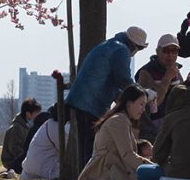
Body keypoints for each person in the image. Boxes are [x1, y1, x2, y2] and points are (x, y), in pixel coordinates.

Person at [62, 27, 147, 166]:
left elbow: (110, 81)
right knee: (91, 143)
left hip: (81, 98)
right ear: (134, 45)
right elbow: (123, 79)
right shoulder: (121, 50)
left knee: (86, 143)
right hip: (92, 102)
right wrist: (140, 94)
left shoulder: (108, 45)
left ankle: (87, 174)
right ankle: (90, 175)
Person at [78, 86, 153, 180]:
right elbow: (127, 154)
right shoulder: (119, 120)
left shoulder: (122, 120)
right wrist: (152, 167)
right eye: (141, 104)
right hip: (105, 174)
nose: (143, 109)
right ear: (129, 104)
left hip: (108, 172)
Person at [1, 98, 45, 175]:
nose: (38, 116)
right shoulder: (17, 128)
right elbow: (14, 148)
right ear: (28, 114)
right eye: (36, 113)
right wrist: (28, 158)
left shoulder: (26, 126)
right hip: (13, 162)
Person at [20, 108, 66, 180]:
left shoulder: (47, 124)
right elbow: (66, 150)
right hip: (43, 171)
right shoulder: (55, 126)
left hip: (27, 171)